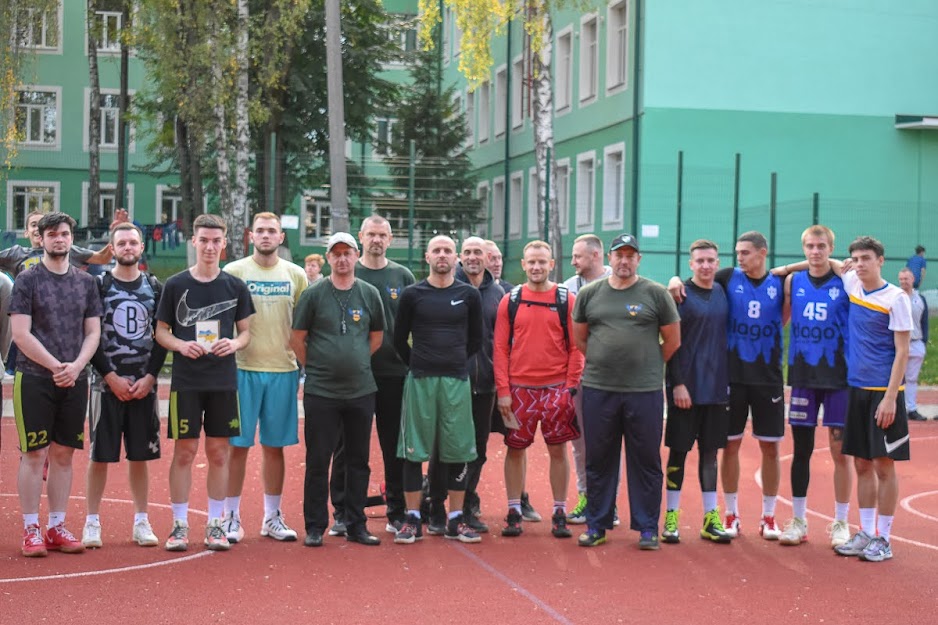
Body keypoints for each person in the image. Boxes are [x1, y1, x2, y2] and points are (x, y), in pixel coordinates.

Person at [669, 231, 787, 540]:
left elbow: (812, 270)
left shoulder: (781, 283)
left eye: (745, 252)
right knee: (726, 447)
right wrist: (673, 280)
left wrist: (796, 266)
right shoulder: (727, 278)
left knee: (769, 448)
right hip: (730, 379)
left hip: (768, 377)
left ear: (762, 253)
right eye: (736, 252)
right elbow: (693, 280)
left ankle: (769, 516)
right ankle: (730, 513)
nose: (740, 258)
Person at [573, 233, 680, 549]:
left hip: (643, 392)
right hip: (598, 389)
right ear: (609, 258)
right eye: (619, 254)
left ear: (638, 259)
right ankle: (597, 524)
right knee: (599, 459)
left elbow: (672, 341)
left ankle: (647, 528)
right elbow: (580, 338)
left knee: (646, 459)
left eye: (630, 255)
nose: (624, 260)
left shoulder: (656, 294)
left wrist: (646, 364)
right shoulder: (590, 294)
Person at [155, 214, 254, 552]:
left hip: (223, 380)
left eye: (216, 241)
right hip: (186, 381)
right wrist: (182, 345)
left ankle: (215, 524)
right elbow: (162, 332)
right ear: (193, 242)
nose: (210, 246)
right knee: (184, 451)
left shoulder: (235, 287)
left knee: (218, 453)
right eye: (204, 240)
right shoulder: (176, 285)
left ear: (224, 244)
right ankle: (179, 525)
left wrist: (234, 344)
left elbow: (246, 333)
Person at [11, 212, 103, 557]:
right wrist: (55, 366)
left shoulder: (87, 283)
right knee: (34, 454)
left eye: (64, 234)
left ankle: (57, 526)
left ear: (71, 238)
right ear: (42, 239)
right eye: (52, 234)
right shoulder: (27, 279)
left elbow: (93, 332)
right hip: (34, 377)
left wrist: (77, 365)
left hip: (75, 378)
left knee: (64, 454)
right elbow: (21, 334)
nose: (59, 239)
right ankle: (31, 528)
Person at [291, 232, 385, 547]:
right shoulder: (314, 294)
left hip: (361, 391)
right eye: (336, 253)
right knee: (319, 459)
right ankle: (315, 526)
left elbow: (376, 337)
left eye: (348, 253)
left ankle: (356, 523)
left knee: (358, 459)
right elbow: (297, 338)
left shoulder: (369, 293)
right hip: (322, 392)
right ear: (328, 258)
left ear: (356, 256)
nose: (342, 259)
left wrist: (355, 361)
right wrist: (316, 367)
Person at [221, 213, 308, 543]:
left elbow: (303, 326)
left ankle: (271, 516)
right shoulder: (235, 272)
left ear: (281, 237)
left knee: (275, 448)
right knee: (237, 447)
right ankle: (231, 516)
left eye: (272, 231)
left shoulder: (296, 275)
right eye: (261, 231)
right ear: (250, 235)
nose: (266, 236)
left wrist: (304, 363)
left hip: (283, 371)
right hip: (242, 370)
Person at [393, 235, 483, 544]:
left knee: (458, 450)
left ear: (455, 257)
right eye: (436, 250)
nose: (442, 255)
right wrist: (420, 363)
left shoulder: (469, 295)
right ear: (427, 257)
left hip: (456, 381)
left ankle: (456, 519)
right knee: (413, 451)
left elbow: (475, 340)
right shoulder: (412, 294)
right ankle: (412, 518)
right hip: (420, 380)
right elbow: (398, 340)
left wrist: (452, 362)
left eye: (447, 250)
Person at [81, 223, 167, 549]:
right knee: (99, 456)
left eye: (133, 242)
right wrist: (109, 376)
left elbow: (161, 337)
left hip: (144, 385)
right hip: (106, 386)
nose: (128, 247)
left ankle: (141, 521)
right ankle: (92, 521)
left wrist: (151, 377)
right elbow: (89, 336)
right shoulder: (98, 286)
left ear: (141, 247)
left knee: (140, 458)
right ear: (112, 248)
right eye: (122, 243)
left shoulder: (155, 288)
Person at [494, 240, 583, 539]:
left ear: (552, 264)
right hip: (519, 390)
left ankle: (559, 510)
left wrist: (570, 387)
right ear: (523, 264)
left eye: (542, 262)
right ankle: (514, 510)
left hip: (556, 389)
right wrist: (503, 390)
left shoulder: (566, 299)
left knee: (558, 449)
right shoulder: (511, 299)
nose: (536, 267)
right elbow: (499, 348)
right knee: (515, 449)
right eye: (531, 262)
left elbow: (576, 347)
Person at [773, 226, 852, 547]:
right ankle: (799, 520)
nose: (815, 251)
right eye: (809, 246)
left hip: (838, 378)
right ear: (803, 247)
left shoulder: (846, 281)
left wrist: (794, 264)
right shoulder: (794, 282)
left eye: (821, 246)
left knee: (839, 452)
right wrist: (790, 269)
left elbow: (840, 267)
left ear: (830, 247)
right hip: (804, 377)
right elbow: (781, 319)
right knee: (801, 451)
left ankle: (842, 522)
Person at [835, 236, 912, 562]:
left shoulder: (896, 298)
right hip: (856, 389)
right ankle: (866, 532)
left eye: (866, 257)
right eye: (856, 258)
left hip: (884, 393)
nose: (860, 263)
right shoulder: (852, 281)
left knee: (883, 466)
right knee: (861, 463)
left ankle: (884, 538)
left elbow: (903, 351)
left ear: (881, 260)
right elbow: (826, 261)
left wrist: (891, 399)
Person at [425, 236, 504, 535]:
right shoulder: (446, 286)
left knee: (478, 449)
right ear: (460, 257)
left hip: (485, 384)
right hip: (450, 383)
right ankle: (436, 506)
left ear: (487, 258)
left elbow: (500, 340)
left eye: (478, 253)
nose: (472, 257)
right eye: (468, 252)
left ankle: (468, 504)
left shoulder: (497, 293)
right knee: (441, 448)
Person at [662, 240, 733, 544]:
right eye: (700, 261)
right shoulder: (679, 294)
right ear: (691, 264)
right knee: (678, 452)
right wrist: (677, 382)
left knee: (710, 455)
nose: (706, 265)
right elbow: (669, 342)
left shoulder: (724, 289)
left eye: (711, 261)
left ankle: (710, 518)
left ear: (718, 264)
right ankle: (671, 518)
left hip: (716, 390)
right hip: (685, 389)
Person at [352, 215, 415, 534]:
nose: (376, 239)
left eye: (383, 235)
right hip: (356, 375)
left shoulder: (402, 274)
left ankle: (397, 510)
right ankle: (347, 512)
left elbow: (414, 323)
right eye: (371, 234)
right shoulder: (350, 270)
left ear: (390, 240)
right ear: (361, 236)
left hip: (394, 373)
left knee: (394, 445)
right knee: (353, 445)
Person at [483, 239, 540, 521]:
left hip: (508, 383)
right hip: (479, 381)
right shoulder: (466, 290)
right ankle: (467, 498)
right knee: (473, 444)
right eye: (489, 257)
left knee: (516, 441)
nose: (494, 262)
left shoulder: (511, 293)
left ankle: (522, 499)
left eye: (498, 258)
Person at [562, 234, 611, 524]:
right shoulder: (569, 288)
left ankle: (609, 502)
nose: (573, 261)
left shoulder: (621, 283)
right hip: (580, 377)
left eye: (577, 256)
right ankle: (585, 496)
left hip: (614, 378)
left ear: (595, 256)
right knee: (580, 441)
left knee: (609, 441)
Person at [899, 267, 929, 421]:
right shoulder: (894, 296)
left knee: (911, 378)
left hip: (916, 343)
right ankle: (897, 408)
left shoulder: (920, 299)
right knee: (896, 377)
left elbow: (924, 322)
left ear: (913, 280)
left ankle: (911, 408)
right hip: (897, 344)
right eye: (902, 279)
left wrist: (923, 341)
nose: (904, 281)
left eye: (907, 279)